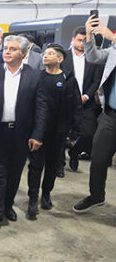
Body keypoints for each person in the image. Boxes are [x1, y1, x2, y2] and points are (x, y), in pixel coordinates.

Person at [0, 35, 47, 228]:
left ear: (24, 53)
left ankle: (7, 206)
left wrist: (37, 135)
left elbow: (41, 108)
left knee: (15, 173)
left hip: (22, 134)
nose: (7, 51)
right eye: (6, 48)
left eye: (13, 49)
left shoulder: (35, 76)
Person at [26, 44, 81, 217]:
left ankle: (46, 195)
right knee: (35, 166)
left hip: (59, 131)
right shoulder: (38, 77)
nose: (45, 56)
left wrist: (73, 131)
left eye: (50, 53)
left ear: (60, 59)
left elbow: (76, 105)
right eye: (45, 53)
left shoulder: (68, 79)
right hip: (38, 131)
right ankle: (32, 198)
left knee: (52, 165)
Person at [73, 15, 116, 213]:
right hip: (110, 115)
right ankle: (96, 195)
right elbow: (94, 58)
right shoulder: (114, 50)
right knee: (98, 159)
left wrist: (112, 37)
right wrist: (89, 37)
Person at [61, 26, 102, 172]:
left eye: (85, 40)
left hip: (86, 102)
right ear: (73, 40)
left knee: (88, 133)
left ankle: (74, 152)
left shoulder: (95, 58)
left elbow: (96, 80)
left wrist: (86, 96)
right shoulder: (63, 57)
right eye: (79, 40)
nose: (82, 43)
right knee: (61, 133)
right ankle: (60, 163)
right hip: (65, 101)